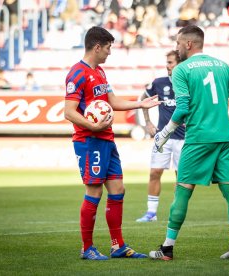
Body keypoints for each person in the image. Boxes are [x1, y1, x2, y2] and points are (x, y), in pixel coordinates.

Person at [148, 25, 229, 260]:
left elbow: (182, 108)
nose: (177, 48)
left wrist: (165, 133)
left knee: (183, 191)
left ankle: (167, 248)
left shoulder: (182, 70)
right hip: (224, 138)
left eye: (179, 43)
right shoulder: (222, 66)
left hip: (198, 138)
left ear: (189, 44)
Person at [64, 26, 160, 260]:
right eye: (108, 48)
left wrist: (140, 105)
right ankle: (87, 248)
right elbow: (69, 111)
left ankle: (117, 246)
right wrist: (92, 125)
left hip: (106, 139)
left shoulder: (101, 73)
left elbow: (111, 100)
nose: (109, 53)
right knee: (94, 191)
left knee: (118, 190)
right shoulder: (77, 73)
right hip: (89, 141)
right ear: (97, 47)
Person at [136, 50, 185, 223]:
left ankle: (177, 212)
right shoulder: (159, 83)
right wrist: (147, 122)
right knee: (155, 172)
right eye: (167, 62)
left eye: (171, 62)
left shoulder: (190, 83)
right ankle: (151, 213)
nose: (168, 65)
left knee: (181, 177)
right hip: (163, 137)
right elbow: (143, 100)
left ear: (180, 64)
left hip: (184, 138)